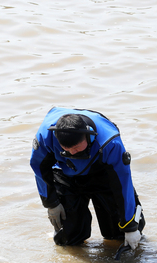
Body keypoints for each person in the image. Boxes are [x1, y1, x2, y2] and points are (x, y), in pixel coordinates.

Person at [30, 107, 145, 251]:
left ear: (87, 136)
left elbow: (123, 182)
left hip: (103, 173)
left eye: (76, 148)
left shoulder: (110, 142)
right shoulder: (45, 137)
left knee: (119, 235)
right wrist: (51, 203)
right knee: (69, 239)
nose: (72, 152)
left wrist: (130, 226)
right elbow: (39, 169)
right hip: (65, 172)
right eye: (66, 148)